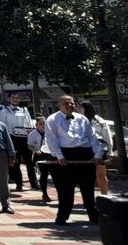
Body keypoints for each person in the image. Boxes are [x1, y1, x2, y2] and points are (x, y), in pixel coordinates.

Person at [45, 95, 103, 225]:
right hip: (65, 154)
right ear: (59, 105)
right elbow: (52, 139)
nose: (70, 106)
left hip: (84, 153)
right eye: (66, 104)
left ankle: (93, 215)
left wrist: (97, 154)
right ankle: (62, 216)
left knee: (88, 187)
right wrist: (59, 156)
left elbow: (92, 137)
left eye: (72, 103)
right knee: (65, 189)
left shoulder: (82, 119)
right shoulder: (52, 119)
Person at [0, 94, 36, 191]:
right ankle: (19, 184)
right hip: (12, 138)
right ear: (9, 99)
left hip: (25, 138)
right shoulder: (4, 111)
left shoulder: (24, 110)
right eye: (13, 98)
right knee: (16, 162)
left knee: (29, 162)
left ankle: (34, 183)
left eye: (17, 98)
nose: (15, 100)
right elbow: (2, 125)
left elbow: (29, 124)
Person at [77, 100, 113, 195]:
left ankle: (104, 196)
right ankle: (89, 197)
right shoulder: (77, 120)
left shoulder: (99, 121)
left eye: (80, 107)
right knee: (87, 176)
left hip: (100, 150)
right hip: (85, 150)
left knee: (101, 174)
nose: (78, 109)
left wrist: (110, 152)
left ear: (86, 108)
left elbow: (107, 137)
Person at [27, 115, 53, 202]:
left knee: (55, 174)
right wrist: (35, 149)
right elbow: (29, 145)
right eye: (41, 124)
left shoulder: (50, 132)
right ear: (36, 125)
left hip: (50, 154)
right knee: (44, 174)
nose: (43, 125)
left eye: (44, 124)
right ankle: (44, 193)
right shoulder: (32, 134)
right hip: (40, 155)